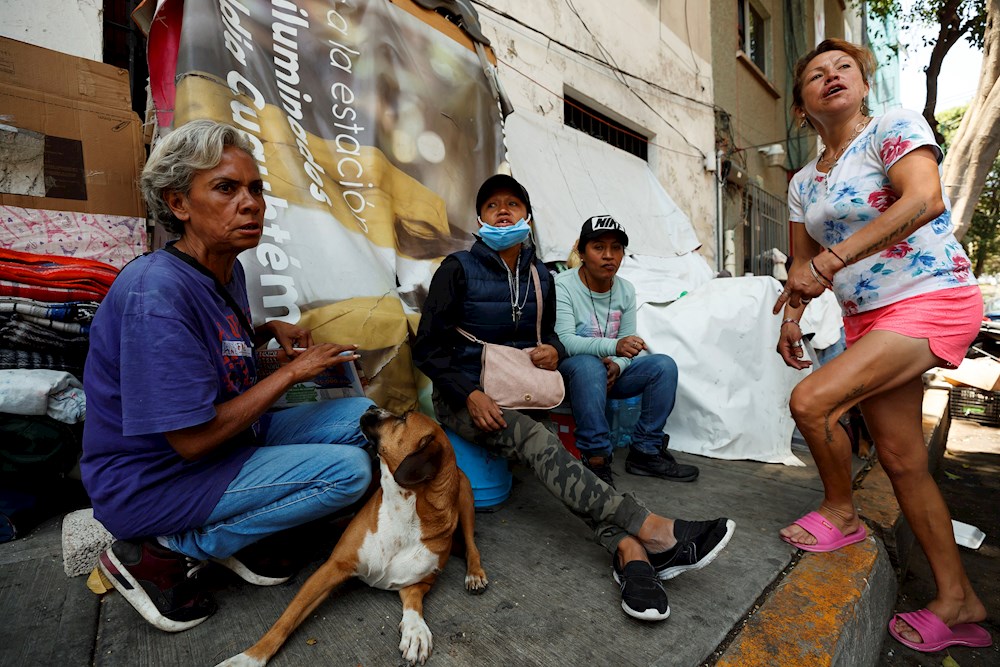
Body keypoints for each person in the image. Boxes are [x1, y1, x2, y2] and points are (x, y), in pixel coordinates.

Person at [81, 120, 375, 633]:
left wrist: (264, 335)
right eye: (227, 188)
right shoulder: (156, 294)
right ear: (178, 204)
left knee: (366, 418)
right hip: (155, 480)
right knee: (348, 471)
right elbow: (192, 440)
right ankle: (164, 551)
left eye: (256, 188)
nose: (252, 203)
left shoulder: (225, 269)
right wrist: (292, 374)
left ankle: (242, 534)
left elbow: (213, 356)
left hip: (227, 447)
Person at [413, 174, 734, 622]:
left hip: (522, 391)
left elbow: (557, 340)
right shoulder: (457, 269)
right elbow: (426, 347)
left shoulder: (541, 277)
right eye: (491, 206)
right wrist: (468, 394)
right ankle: (654, 530)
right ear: (480, 219)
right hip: (465, 396)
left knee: (556, 463)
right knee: (542, 445)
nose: (502, 211)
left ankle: (631, 554)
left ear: (527, 217)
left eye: (513, 204)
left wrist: (556, 350)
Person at [774, 39, 990, 652]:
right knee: (901, 462)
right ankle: (959, 599)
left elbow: (925, 199)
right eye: (815, 73)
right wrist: (791, 316)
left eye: (844, 67)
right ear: (802, 106)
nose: (832, 76)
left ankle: (839, 511)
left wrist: (831, 262)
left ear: (863, 86)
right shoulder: (802, 183)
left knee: (813, 401)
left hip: (931, 296)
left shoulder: (892, 126)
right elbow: (801, 262)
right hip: (866, 317)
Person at [555, 215, 697, 487]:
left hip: (608, 374)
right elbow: (565, 341)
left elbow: (627, 343)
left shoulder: (625, 290)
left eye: (616, 248)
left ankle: (645, 450)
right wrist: (614, 348)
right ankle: (596, 457)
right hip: (572, 374)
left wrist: (618, 364)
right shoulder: (563, 284)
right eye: (598, 247)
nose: (609, 256)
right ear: (581, 252)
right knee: (588, 365)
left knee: (663, 366)